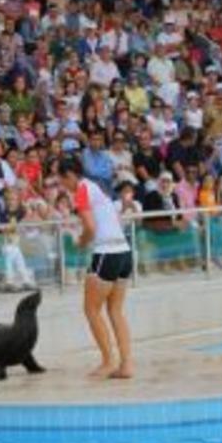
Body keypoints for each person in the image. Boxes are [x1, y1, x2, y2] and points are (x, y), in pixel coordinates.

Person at [59, 158, 133, 379]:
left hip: (106, 253)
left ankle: (108, 362)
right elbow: (113, 220)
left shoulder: (81, 190)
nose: (63, 185)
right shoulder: (96, 188)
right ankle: (126, 365)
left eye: (62, 179)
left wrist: (82, 241)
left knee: (91, 310)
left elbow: (90, 228)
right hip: (124, 251)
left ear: (70, 175)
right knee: (116, 311)